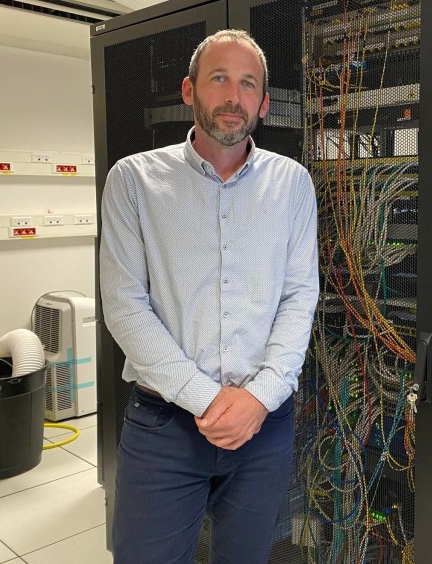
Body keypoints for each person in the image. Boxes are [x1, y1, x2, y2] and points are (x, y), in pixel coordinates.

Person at [99, 29, 319, 563]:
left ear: (263, 103)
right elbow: (125, 306)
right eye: (219, 78)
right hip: (165, 426)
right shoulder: (133, 181)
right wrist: (210, 401)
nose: (232, 96)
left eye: (248, 84)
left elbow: (299, 296)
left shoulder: (292, 184)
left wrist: (260, 398)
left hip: (263, 424)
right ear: (188, 90)